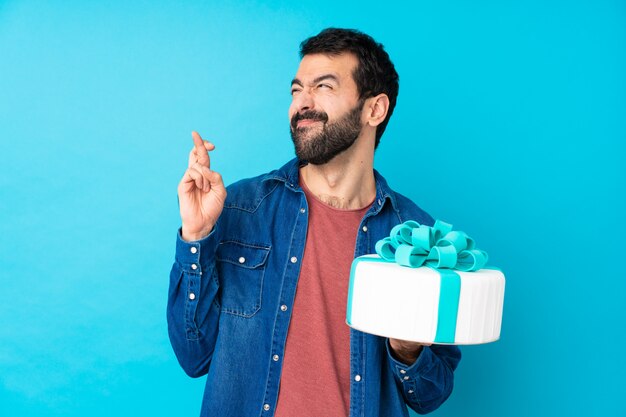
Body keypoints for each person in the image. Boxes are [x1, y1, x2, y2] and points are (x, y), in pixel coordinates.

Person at [167, 28, 461, 417]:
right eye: (296, 90)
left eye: (323, 87)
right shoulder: (237, 209)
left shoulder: (418, 237)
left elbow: (429, 395)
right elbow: (193, 356)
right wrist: (197, 236)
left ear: (375, 109)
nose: (302, 103)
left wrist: (407, 349)